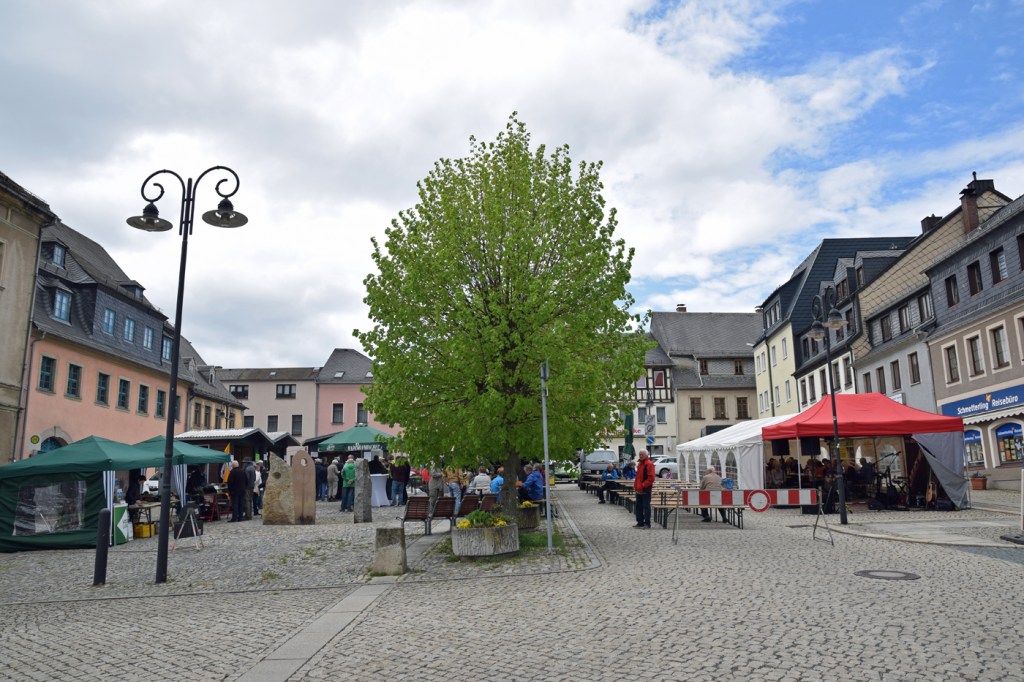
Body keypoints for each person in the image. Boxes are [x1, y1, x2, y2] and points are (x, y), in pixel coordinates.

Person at [633, 450, 655, 528]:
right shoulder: (640, 464)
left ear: (646, 455)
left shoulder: (649, 464)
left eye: (642, 454)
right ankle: (640, 522)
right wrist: (636, 486)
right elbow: (638, 477)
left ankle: (647, 523)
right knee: (638, 506)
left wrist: (643, 485)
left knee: (646, 507)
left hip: (645, 489)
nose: (640, 455)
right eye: (640, 454)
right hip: (639, 489)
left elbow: (651, 478)